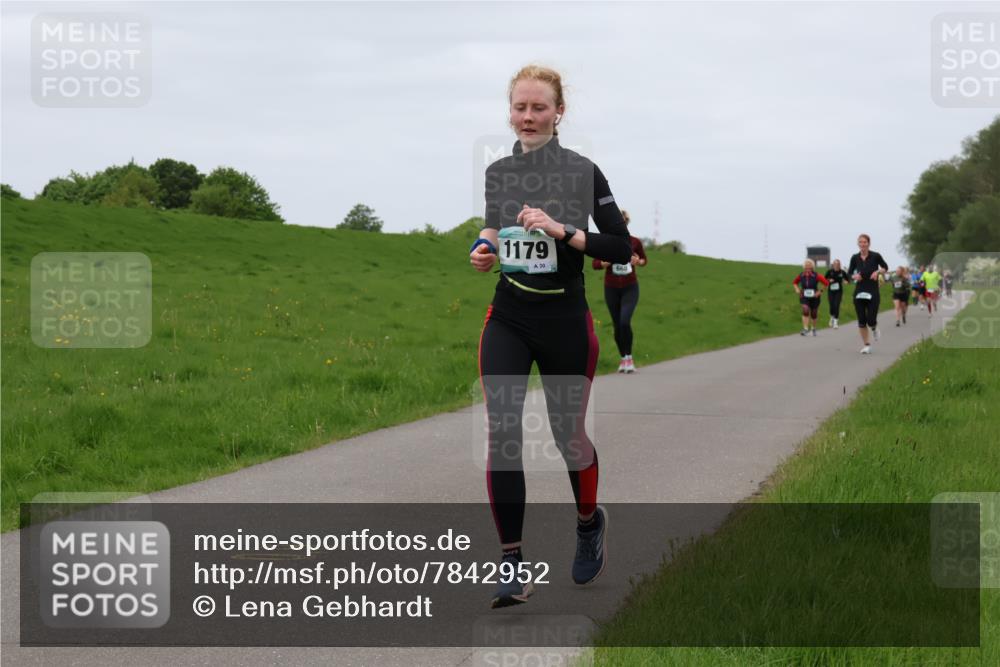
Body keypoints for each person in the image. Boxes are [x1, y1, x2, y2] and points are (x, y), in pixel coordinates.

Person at [469, 65, 631, 608]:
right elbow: (494, 224)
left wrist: (564, 232)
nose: (529, 117)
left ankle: (588, 523)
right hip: (510, 317)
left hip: (565, 320)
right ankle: (512, 564)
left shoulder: (583, 172)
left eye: (540, 107)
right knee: (503, 433)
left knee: (570, 440)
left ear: (559, 112)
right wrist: (483, 247)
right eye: (520, 107)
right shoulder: (498, 173)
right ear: (509, 112)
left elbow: (620, 246)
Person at [593, 210, 647, 372]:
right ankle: (623, 358)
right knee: (617, 324)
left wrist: (638, 261)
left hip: (630, 287)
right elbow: (595, 264)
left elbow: (644, 260)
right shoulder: (606, 242)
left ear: (627, 223)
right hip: (611, 288)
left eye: (624, 222)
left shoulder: (635, 242)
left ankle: (629, 358)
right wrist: (606, 262)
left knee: (625, 321)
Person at [847, 234, 889, 354]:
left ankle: (874, 328)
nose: (863, 244)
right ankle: (867, 345)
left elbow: (885, 267)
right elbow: (849, 273)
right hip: (859, 291)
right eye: (860, 242)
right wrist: (854, 276)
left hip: (873, 291)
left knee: (871, 320)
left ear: (868, 243)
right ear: (858, 244)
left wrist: (877, 272)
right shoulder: (855, 258)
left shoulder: (875, 256)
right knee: (861, 320)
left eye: (865, 242)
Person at [793, 259, 829, 336]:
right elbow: (795, 282)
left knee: (814, 313)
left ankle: (813, 328)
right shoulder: (801, 275)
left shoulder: (816, 275)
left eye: (809, 267)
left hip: (814, 297)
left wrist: (820, 292)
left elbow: (826, 283)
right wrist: (797, 289)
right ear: (804, 267)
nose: (807, 269)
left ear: (812, 267)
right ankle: (805, 328)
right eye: (806, 267)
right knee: (805, 309)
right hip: (804, 296)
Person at [824, 259, 849, 328]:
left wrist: (845, 282)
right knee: (832, 305)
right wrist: (829, 280)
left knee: (837, 305)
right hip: (831, 291)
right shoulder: (830, 271)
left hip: (839, 291)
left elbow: (847, 280)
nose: (836, 266)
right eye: (835, 264)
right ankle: (832, 317)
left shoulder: (842, 272)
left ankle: (835, 322)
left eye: (838, 264)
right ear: (833, 265)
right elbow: (824, 279)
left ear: (839, 265)